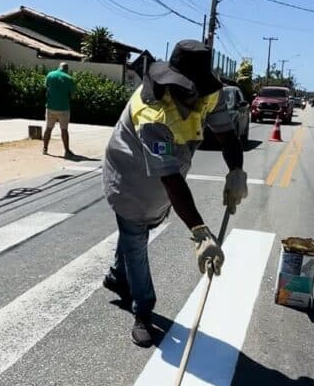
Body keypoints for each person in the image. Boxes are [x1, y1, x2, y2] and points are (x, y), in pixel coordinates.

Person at [102, 40, 249, 347]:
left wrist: (236, 169)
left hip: (169, 165)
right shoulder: (152, 112)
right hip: (130, 172)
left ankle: (117, 273)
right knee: (135, 228)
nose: (193, 98)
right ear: (170, 82)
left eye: (197, 90)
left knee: (134, 231)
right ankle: (143, 310)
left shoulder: (210, 94)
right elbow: (170, 179)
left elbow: (227, 135)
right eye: (185, 90)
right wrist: (200, 232)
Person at [43, 61, 74, 158]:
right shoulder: (69, 79)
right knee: (64, 130)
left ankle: (45, 148)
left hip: (50, 107)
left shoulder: (50, 75)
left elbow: (46, 88)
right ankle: (66, 150)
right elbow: (72, 95)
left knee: (48, 128)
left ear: (59, 67)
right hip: (63, 108)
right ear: (67, 69)